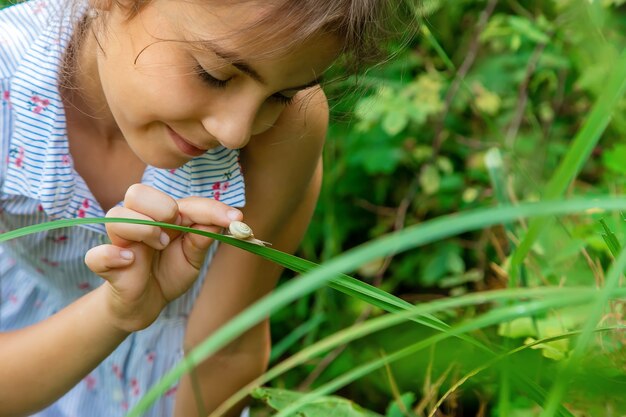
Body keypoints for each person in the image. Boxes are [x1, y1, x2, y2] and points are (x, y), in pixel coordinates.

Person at [0, 0, 400, 416]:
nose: (235, 133)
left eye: (280, 95)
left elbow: (226, 351)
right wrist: (115, 313)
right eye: (214, 74)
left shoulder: (287, 131)